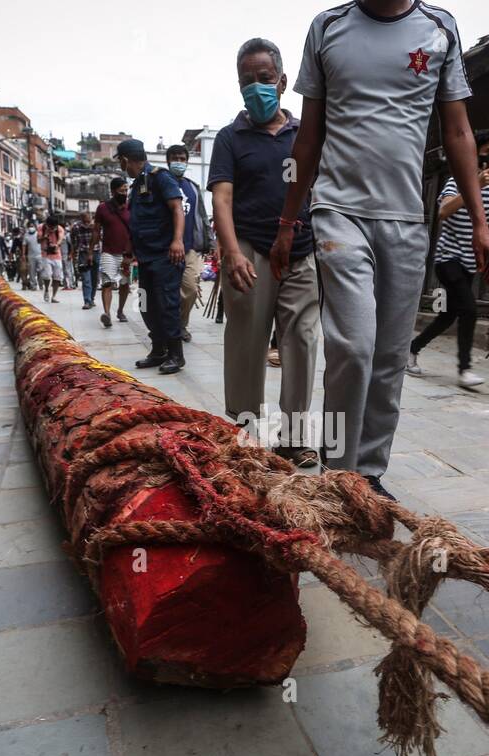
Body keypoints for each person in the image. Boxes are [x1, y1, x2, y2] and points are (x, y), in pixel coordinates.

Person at [275, 0, 489, 500]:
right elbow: (308, 137)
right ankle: (338, 471)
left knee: (390, 355)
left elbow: (458, 130)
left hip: (405, 219)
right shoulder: (328, 27)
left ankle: (368, 473)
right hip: (338, 210)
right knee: (353, 346)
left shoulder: (440, 28)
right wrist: (288, 221)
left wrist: (481, 222)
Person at [209, 38, 321, 469]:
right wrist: (232, 253)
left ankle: (293, 439)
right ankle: (244, 431)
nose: (256, 87)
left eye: (265, 79)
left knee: (302, 341)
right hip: (251, 254)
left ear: (284, 81)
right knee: (246, 343)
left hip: (302, 253)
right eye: (247, 81)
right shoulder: (230, 138)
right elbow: (221, 199)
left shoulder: (305, 134)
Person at [407, 130, 489, 389]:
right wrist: (475, 186)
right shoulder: (457, 181)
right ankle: (464, 370)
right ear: (477, 156)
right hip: (447, 257)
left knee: (448, 316)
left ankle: (411, 349)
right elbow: (443, 211)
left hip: (471, 261)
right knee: (469, 309)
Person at [118, 138, 187, 374]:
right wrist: (128, 255)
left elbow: (177, 208)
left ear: (125, 159)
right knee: (146, 304)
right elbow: (135, 224)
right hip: (145, 258)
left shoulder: (160, 178)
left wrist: (177, 240)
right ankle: (158, 350)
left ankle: (176, 355)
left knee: (167, 305)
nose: (121, 166)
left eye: (120, 161)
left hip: (165, 256)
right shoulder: (137, 186)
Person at [166, 143, 212, 342]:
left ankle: (181, 325)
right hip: (166, 248)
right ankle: (168, 329)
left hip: (191, 248)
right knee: (167, 291)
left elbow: (202, 215)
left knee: (190, 289)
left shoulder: (192, 187)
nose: (179, 162)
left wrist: (211, 242)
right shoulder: (161, 182)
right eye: (175, 158)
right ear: (168, 161)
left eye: (182, 159)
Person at [94, 177, 134, 327]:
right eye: (121, 190)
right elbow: (96, 230)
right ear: (113, 191)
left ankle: (120, 310)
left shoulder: (131, 207)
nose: (124, 193)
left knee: (124, 284)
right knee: (107, 283)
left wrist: (131, 254)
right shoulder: (103, 208)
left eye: (126, 190)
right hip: (108, 252)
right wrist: (92, 250)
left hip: (126, 253)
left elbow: (135, 231)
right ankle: (107, 313)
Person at [72, 210, 98, 309]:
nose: (87, 223)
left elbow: (101, 238)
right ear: (81, 219)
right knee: (86, 278)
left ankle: (91, 298)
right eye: (85, 221)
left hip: (96, 252)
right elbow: (73, 240)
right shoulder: (76, 227)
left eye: (89, 221)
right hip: (83, 254)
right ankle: (87, 301)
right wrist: (74, 253)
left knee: (94, 278)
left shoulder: (96, 225)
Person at [38, 213, 65, 303]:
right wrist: (45, 235)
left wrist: (56, 245)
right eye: (51, 227)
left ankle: (54, 296)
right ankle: (46, 290)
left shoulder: (59, 229)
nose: (52, 229)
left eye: (54, 227)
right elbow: (38, 240)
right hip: (45, 255)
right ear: (47, 224)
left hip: (57, 255)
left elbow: (60, 239)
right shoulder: (41, 227)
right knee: (47, 275)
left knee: (57, 277)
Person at [23, 222, 42, 291]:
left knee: (41, 270)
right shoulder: (26, 235)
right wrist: (23, 254)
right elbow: (24, 245)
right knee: (32, 272)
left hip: (40, 255)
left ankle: (41, 283)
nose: (31, 228)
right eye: (30, 226)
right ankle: (33, 285)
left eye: (32, 226)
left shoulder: (38, 234)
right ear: (28, 227)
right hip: (31, 256)